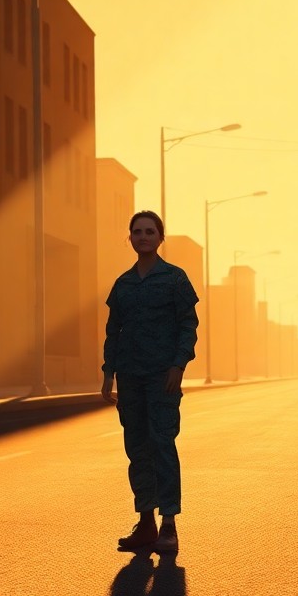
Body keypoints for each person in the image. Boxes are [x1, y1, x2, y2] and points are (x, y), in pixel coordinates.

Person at [101, 210, 199, 553]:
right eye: (137, 232)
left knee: (162, 445)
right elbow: (113, 331)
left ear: (160, 238)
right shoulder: (123, 285)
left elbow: (188, 325)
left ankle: (169, 525)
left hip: (162, 377)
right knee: (137, 449)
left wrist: (178, 366)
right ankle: (145, 523)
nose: (143, 236)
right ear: (130, 238)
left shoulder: (175, 279)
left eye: (149, 231)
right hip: (130, 377)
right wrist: (107, 373)